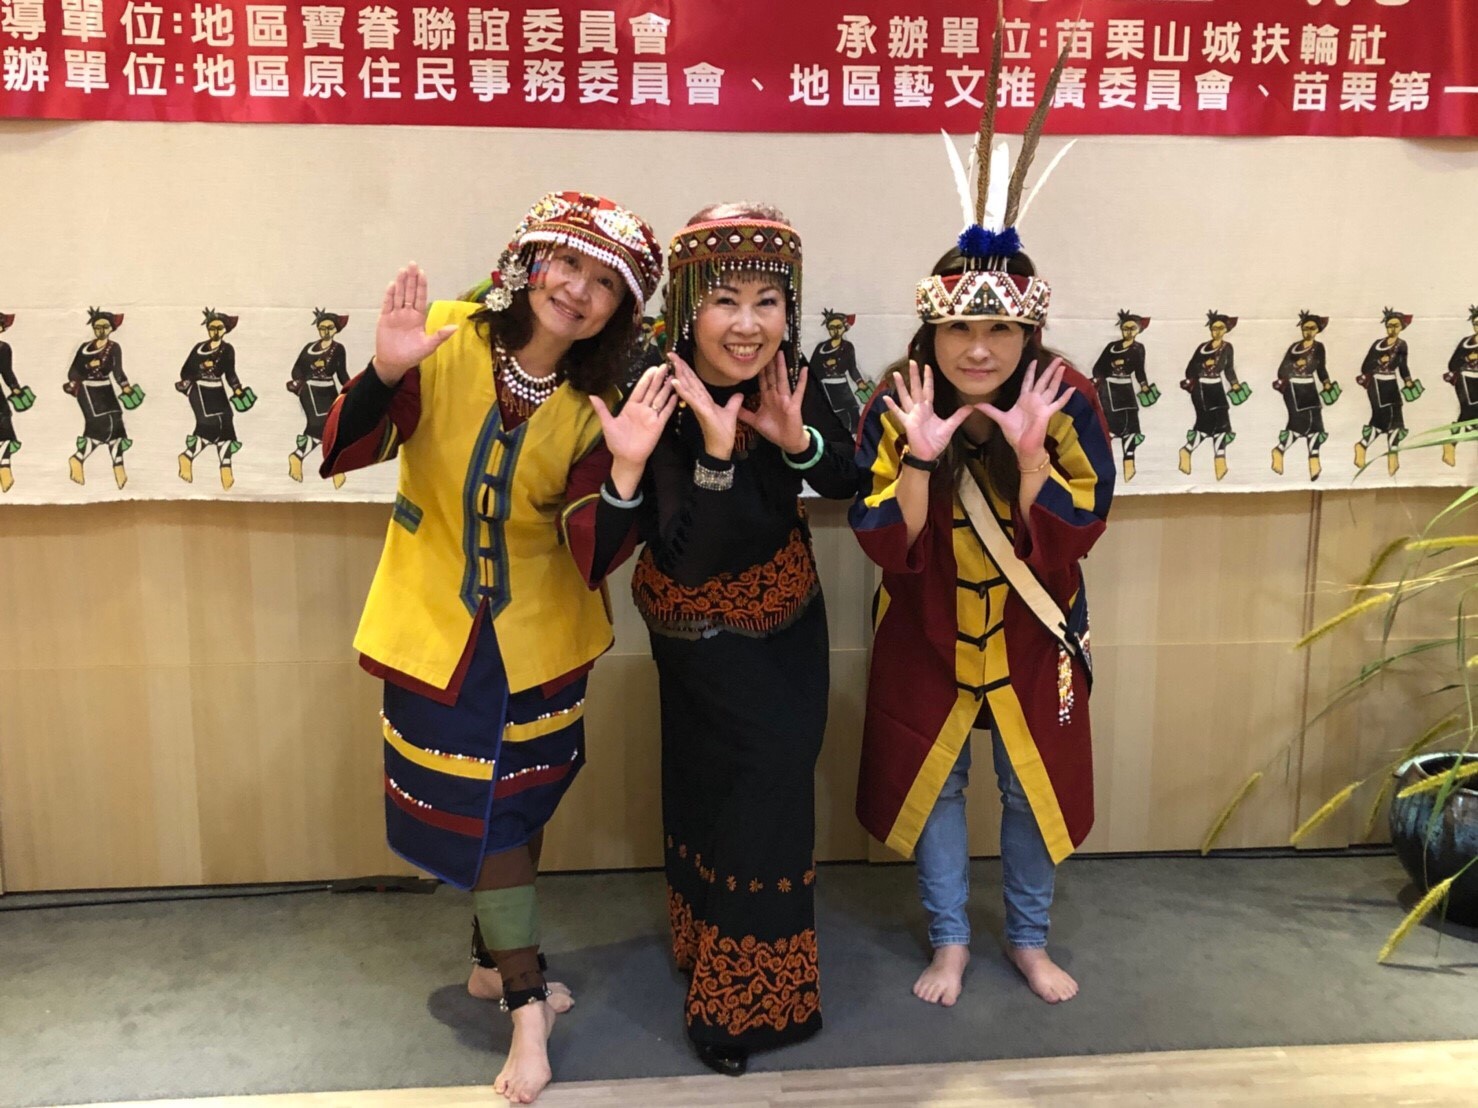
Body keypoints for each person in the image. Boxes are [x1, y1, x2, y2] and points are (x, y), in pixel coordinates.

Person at [320, 191, 666, 1105]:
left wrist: (627, 471)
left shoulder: (601, 403)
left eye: (604, 283)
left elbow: (593, 547)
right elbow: (346, 450)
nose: (578, 291)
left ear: (620, 310)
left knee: (518, 809)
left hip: (541, 639)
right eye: (569, 264)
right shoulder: (444, 335)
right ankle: (525, 1006)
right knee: (488, 818)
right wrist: (384, 372)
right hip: (434, 629)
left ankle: (488, 964)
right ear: (529, 261)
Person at [851, 45, 1114, 1010]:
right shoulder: (900, 398)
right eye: (961, 329)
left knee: (1028, 788)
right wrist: (923, 458)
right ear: (932, 330)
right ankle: (951, 939)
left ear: (1026, 332)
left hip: (1032, 631)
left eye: (999, 330)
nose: (978, 348)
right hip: (927, 628)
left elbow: (1081, 524)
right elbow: (883, 534)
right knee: (940, 784)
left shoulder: (1066, 395)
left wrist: (1033, 460)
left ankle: (1029, 939)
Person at [631, 202, 858, 1076]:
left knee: (762, 786)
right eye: (725, 300)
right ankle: (733, 1006)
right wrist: (719, 457)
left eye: (768, 301)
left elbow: (846, 474)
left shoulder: (792, 372)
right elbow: (686, 556)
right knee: (742, 789)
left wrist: (796, 442)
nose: (748, 324)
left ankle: (720, 960)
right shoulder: (661, 391)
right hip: (700, 634)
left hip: (791, 621)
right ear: (688, 305)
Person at [176, 309, 255, 489]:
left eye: (219, 328)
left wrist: (237, 389)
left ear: (225, 330)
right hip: (199, 389)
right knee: (208, 424)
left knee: (227, 422)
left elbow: (230, 373)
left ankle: (226, 467)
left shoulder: (227, 349)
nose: (216, 332)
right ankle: (187, 457)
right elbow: (185, 371)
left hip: (218, 389)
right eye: (212, 328)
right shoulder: (198, 348)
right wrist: (201, 367)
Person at [64, 308, 142, 489]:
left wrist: (125, 386)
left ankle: (118, 465)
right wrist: (88, 366)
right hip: (87, 389)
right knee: (99, 425)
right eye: (97, 327)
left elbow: (118, 371)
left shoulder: (114, 348)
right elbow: (72, 373)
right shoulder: (84, 348)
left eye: (105, 327)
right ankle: (78, 459)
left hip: (106, 388)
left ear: (111, 328)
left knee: (116, 422)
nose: (101, 330)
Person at [1271, 311, 1338, 481]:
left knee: (1316, 424)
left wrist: (1326, 382)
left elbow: (1321, 368)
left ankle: (1314, 461)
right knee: (1298, 423)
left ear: (1318, 330)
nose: (1308, 332)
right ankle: (1279, 451)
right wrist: (1294, 365)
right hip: (1293, 389)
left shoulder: (1319, 347)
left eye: (1312, 328)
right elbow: (1281, 370)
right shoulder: (1294, 348)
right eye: (1305, 328)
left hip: (1310, 387)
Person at [287, 308, 351, 486]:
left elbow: (341, 373)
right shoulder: (309, 348)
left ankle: (298, 456)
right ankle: (334, 467)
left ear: (336, 329)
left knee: (332, 427)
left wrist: (351, 389)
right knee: (318, 425)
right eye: (322, 328)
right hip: (310, 390)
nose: (326, 332)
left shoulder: (338, 349)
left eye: (330, 328)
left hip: (329, 391)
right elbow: (296, 369)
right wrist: (308, 373)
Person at [1355, 308, 1421, 476]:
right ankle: (1363, 446)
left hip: (1391, 383)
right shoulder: (1377, 344)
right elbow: (1365, 367)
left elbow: (1403, 366)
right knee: (1382, 417)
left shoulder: (1402, 344)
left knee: (1396, 416)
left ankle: (1392, 455)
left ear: (1401, 327)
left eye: (1396, 326)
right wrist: (1379, 361)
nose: (1392, 329)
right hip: (1376, 384)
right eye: (1389, 325)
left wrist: (1408, 381)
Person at [0, 312, 36, 494]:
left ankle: (5, 465)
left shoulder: (3, 348)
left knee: (4, 421)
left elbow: (7, 372)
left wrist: (15, 388)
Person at [1441, 306, 1478, 467]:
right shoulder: (1466, 343)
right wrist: (1468, 358)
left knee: (1471, 414)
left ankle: (1451, 443)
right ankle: (1450, 444)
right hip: (1466, 380)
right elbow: (1452, 364)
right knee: (1469, 410)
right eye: (1476, 323)